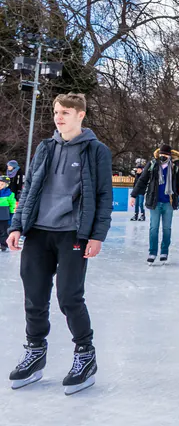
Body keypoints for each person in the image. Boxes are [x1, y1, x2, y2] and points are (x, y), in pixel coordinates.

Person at [7, 93, 111, 395]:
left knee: (69, 297)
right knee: (34, 297)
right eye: (56, 112)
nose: (59, 117)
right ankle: (35, 350)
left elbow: (104, 195)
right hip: (38, 232)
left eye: (65, 112)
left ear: (81, 115)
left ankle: (85, 354)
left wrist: (97, 235)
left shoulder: (96, 150)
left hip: (72, 234)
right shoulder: (45, 147)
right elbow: (30, 188)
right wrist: (16, 225)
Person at [130, 143, 179, 264]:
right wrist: (133, 195)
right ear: (158, 154)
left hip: (169, 203)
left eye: (165, 154)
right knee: (153, 228)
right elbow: (142, 180)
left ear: (169, 156)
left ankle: (164, 251)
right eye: (161, 154)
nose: (163, 156)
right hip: (155, 202)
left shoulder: (175, 168)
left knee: (167, 229)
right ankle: (152, 252)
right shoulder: (152, 165)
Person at [0, 175, 15, 251]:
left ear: (6, 185)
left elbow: (12, 204)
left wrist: (12, 213)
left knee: (3, 231)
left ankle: (3, 245)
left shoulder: (9, 194)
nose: (0, 185)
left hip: (4, 215)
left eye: (2, 184)